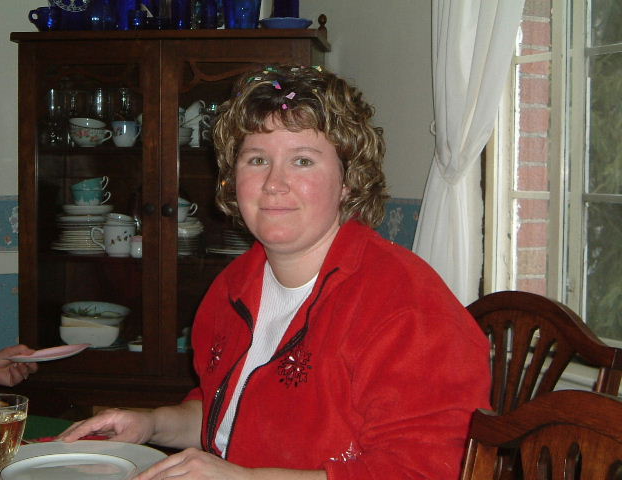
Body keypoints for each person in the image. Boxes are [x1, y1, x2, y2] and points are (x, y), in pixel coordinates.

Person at [59, 65, 491, 479]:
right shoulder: (233, 286)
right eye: (256, 159)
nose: (273, 183)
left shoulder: (407, 307)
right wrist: (151, 424)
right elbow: (226, 414)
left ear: (348, 181)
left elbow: (426, 471)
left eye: (302, 161)